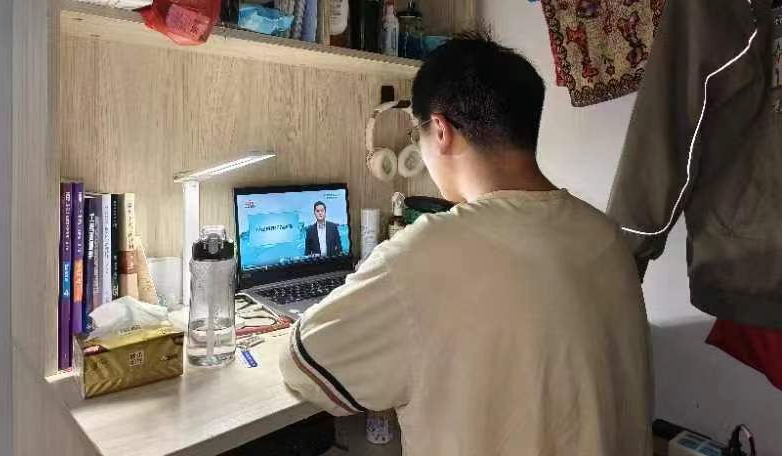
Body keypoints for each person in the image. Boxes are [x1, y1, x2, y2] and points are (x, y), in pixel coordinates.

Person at [280, 31, 653, 455]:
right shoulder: (606, 235)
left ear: (440, 130)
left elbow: (302, 363)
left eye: (417, 136)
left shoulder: (426, 252)